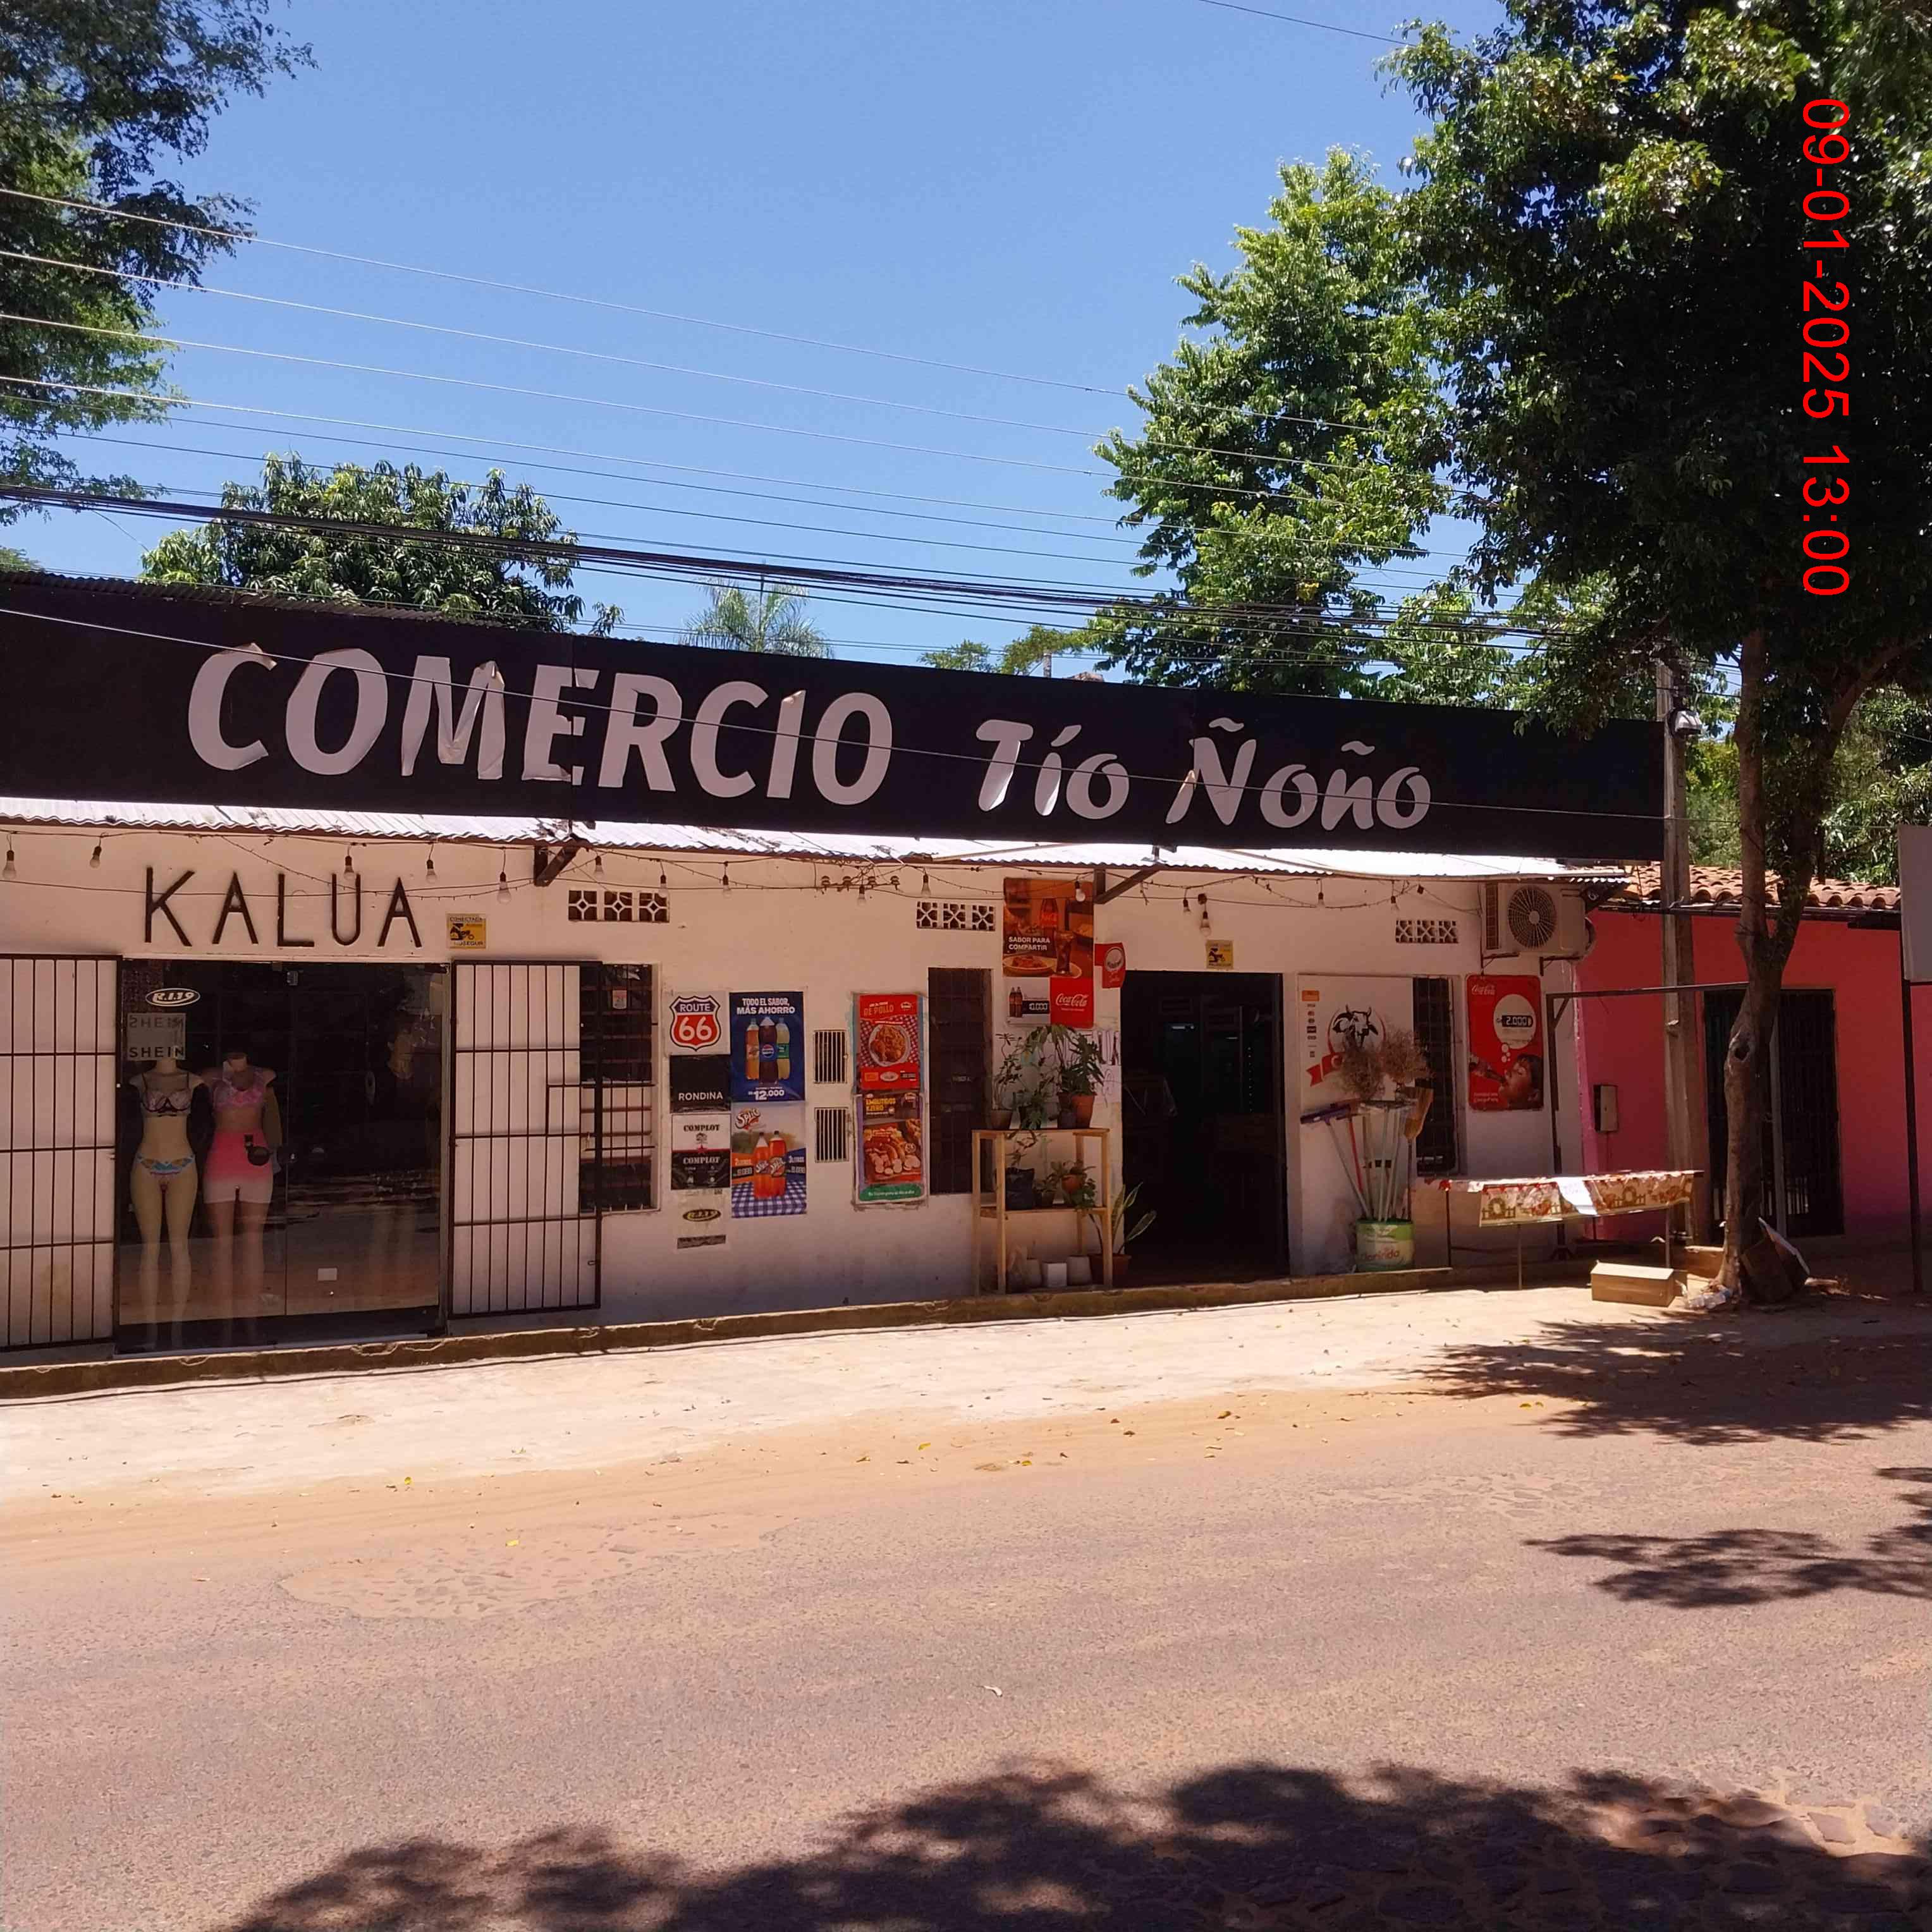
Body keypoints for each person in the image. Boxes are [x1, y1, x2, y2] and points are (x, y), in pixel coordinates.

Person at [202, 1044, 278, 1319]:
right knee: (222, 1241)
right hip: (222, 1157)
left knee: (253, 1239)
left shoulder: (264, 1075)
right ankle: (223, 1310)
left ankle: (251, 1310)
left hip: (255, 1158)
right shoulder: (210, 1077)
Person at [129, 1055, 202, 1332]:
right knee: (150, 1248)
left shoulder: (193, 1080)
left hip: (183, 1164)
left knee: (179, 1246)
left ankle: (178, 1325)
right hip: (146, 1164)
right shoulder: (141, 1080)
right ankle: (149, 1324)